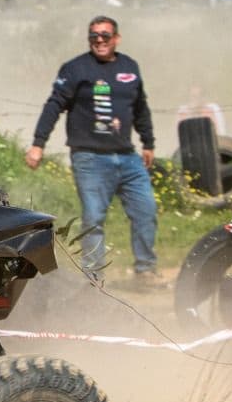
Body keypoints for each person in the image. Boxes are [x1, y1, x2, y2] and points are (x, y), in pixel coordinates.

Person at [26, 15, 160, 285]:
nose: (99, 40)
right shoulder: (75, 69)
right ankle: (93, 279)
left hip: (127, 156)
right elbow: (54, 105)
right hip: (90, 158)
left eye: (105, 36)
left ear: (116, 39)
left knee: (146, 211)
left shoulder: (130, 67)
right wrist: (38, 143)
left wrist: (148, 142)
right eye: (94, 36)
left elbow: (140, 107)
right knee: (94, 218)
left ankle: (145, 271)